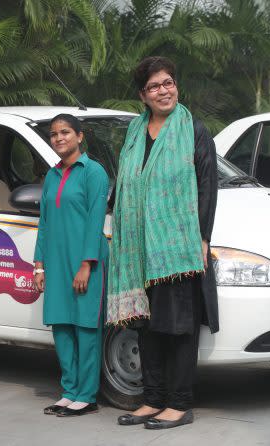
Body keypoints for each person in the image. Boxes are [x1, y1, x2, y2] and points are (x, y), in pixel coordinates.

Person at [107, 56, 218, 429]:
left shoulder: (194, 131)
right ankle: (152, 399)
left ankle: (179, 403)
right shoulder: (136, 133)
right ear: (143, 94)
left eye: (168, 82)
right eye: (154, 86)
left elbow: (206, 187)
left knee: (177, 327)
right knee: (146, 328)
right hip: (139, 250)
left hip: (177, 250)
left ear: (176, 86)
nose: (163, 90)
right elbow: (126, 184)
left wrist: (202, 237)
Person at [33, 114, 109, 417]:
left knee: (85, 327)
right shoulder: (51, 176)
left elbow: (95, 221)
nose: (59, 138)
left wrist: (87, 264)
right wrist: (39, 265)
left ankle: (87, 395)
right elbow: (45, 222)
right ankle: (69, 391)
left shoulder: (94, 172)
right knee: (62, 326)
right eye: (54, 134)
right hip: (56, 260)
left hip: (84, 262)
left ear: (80, 136)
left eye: (65, 132)